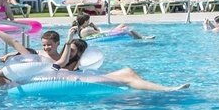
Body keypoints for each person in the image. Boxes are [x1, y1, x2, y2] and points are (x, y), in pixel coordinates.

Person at [50, 36, 187, 92]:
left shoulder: (77, 61)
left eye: (76, 51)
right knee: (127, 77)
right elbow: (61, 63)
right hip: (80, 80)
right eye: (72, 50)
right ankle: (166, 89)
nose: (73, 53)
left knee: (128, 71)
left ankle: (156, 87)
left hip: (86, 76)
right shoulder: (62, 59)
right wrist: (68, 41)